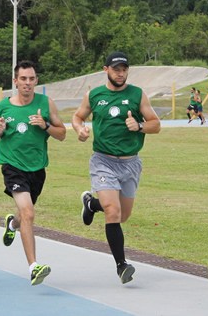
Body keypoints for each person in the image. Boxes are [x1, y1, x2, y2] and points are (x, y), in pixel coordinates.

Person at [72, 51, 161, 284]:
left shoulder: (137, 95)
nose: (120, 73)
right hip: (103, 161)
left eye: (124, 69)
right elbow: (77, 117)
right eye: (116, 69)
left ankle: (91, 203)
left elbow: (156, 125)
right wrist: (79, 129)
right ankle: (122, 265)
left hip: (131, 163)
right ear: (106, 70)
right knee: (113, 211)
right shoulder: (94, 95)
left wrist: (139, 125)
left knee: (123, 215)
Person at [0, 60, 66, 286]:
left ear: (36, 81)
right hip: (12, 166)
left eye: (31, 79)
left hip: (37, 168)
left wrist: (45, 125)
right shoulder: (3, 106)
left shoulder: (46, 104)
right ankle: (34, 266)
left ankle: (12, 225)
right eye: (23, 79)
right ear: (15, 81)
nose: (27, 83)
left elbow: (62, 133)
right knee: (29, 213)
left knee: (24, 215)